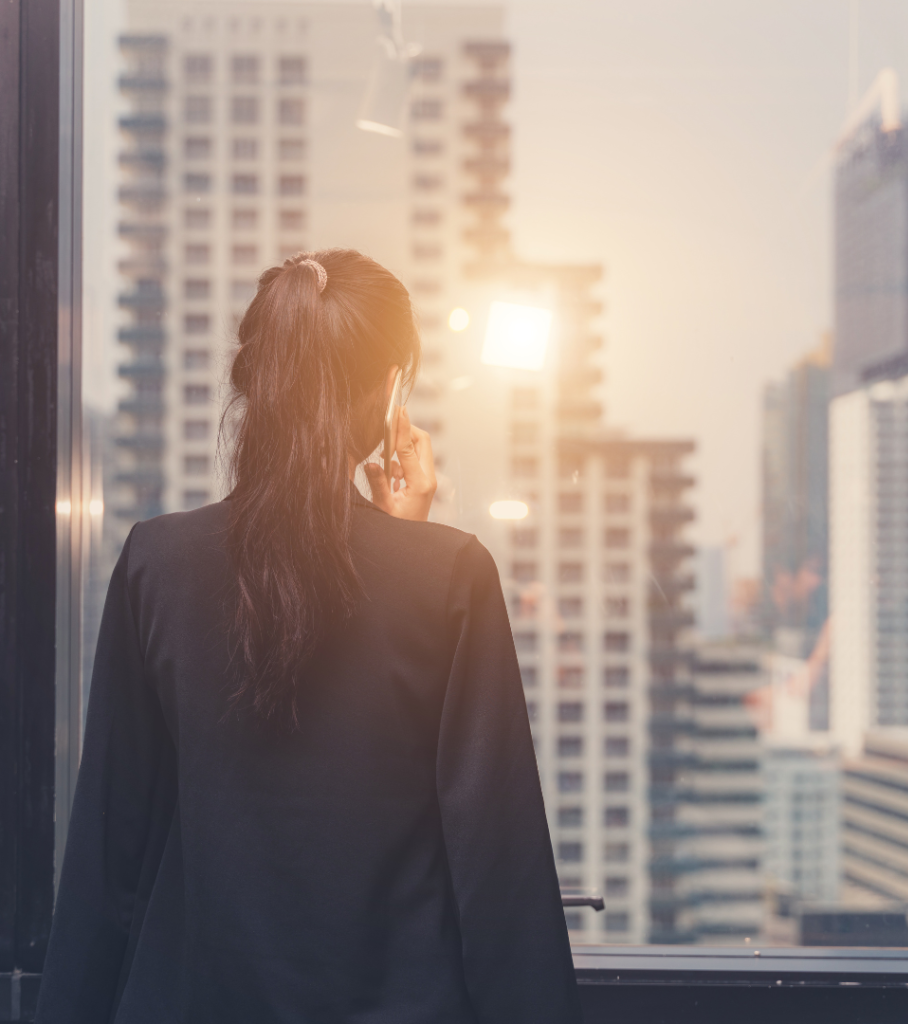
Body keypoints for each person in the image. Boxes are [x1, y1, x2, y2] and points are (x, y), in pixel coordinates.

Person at [37, 249, 582, 1024]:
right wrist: (412, 548)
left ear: (256, 383)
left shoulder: (156, 563)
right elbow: (498, 869)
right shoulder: (452, 575)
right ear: (392, 387)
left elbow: (109, 854)